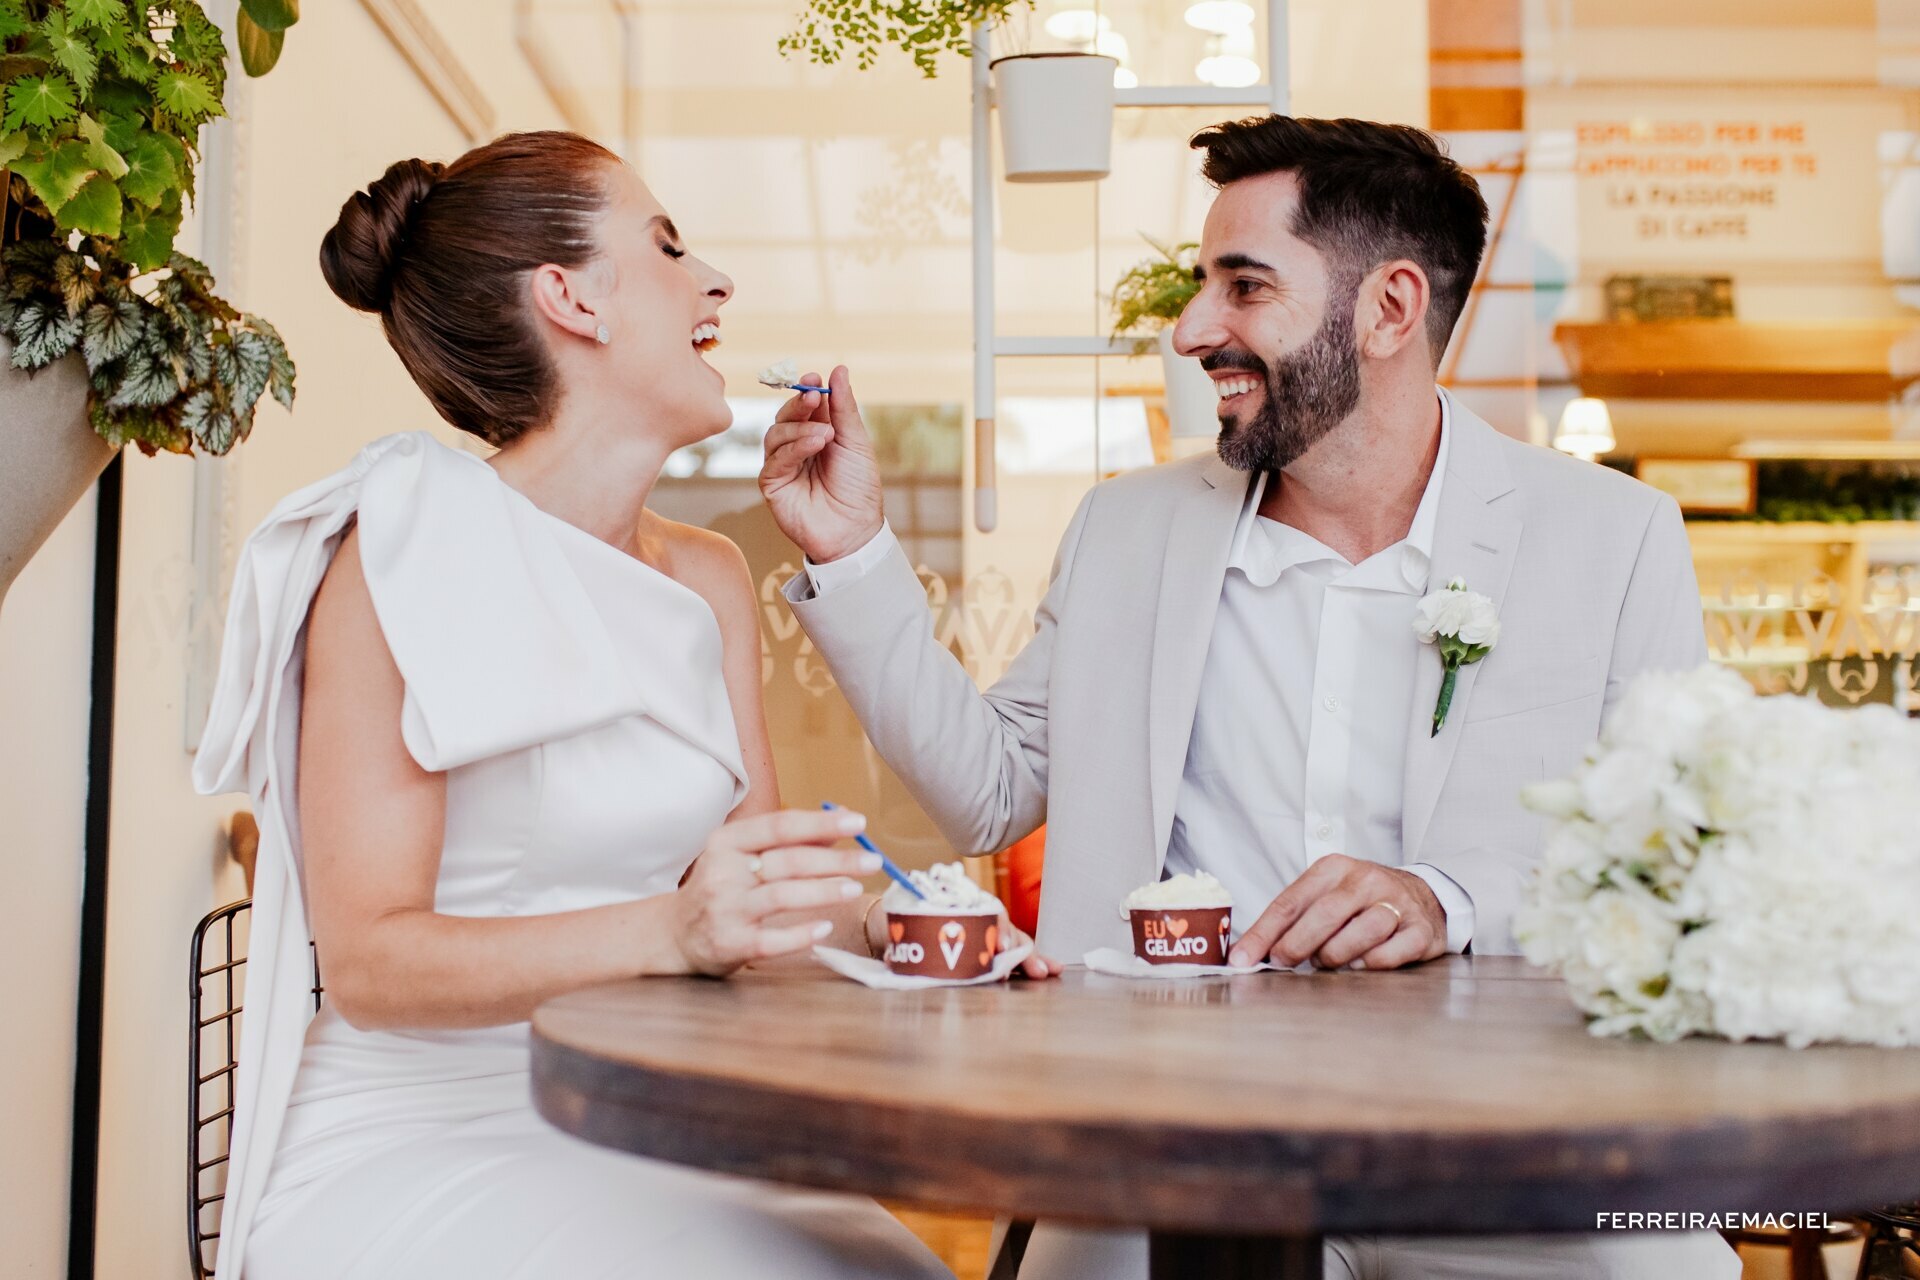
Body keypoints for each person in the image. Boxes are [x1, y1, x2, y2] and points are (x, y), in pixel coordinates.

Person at [758, 115, 1739, 1280]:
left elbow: (1684, 859)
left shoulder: (1613, 537)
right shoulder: (1125, 528)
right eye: (1200, 284)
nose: (1191, 329)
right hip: (1167, 1145)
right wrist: (854, 555)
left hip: (1520, 1152)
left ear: (1389, 308)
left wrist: (1453, 897)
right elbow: (989, 791)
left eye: (1244, 286)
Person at [193, 130, 981, 1280]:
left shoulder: (712, 575)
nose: (716, 280)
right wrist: (672, 930)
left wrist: (909, 933)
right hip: (425, 1136)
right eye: (668, 246)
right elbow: (371, 963)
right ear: (570, 298)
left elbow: (750, 912)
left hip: (649, 1112)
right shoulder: (396, 551)